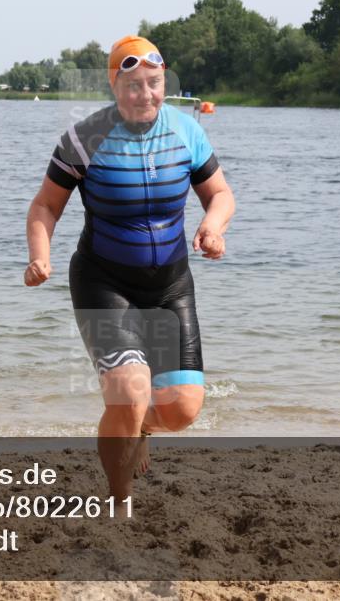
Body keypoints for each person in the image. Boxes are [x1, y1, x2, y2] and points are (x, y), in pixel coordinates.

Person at [24, 35, 235, 512]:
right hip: (105, 282)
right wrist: (40, 256)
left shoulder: (186, 131)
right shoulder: (84, 139)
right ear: (114, 86)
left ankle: (138, 429)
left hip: (170, 286)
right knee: (129, 395)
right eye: (133, 85)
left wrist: (212, 227)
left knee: (181, 410)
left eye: (154, 83)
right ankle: (120, 501)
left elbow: (220, 194)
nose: (145, 94)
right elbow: (45, 206)